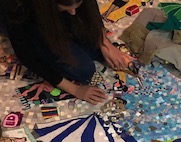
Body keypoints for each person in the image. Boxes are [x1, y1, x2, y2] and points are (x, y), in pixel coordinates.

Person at [1, 0, 133, 104]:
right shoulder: (18, 8)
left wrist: (105, 44)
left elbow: (89, 8)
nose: (73, 12)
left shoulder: (70, 9)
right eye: (66, 8)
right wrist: (76, 90)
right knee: (83, 70)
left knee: (94, 45)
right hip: (23, 18)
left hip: (45, 12)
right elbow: (29, 57)